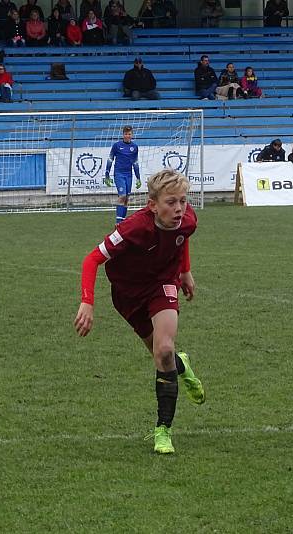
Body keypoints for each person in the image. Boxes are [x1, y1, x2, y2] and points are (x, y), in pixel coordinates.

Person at [74, 169, 205, 455]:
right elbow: (92, 259)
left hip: (162, 285)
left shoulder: (188, 219)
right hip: (127, 295)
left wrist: (185, 271)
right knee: (161, 356)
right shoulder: (134, 228)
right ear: (152, 203)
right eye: (171, 202)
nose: (179, 208)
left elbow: (182, 237)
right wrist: (87, 301)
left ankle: (163, 430)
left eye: (183, 201)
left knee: (165, 351)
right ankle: (182, 366)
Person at [104, 125, 141, 225]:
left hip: (129, 175)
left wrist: (138, 178)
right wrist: (107, 174)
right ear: (123, 135)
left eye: (129, 134)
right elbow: (110, 159)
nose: (127, 136)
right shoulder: (116, 146)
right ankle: (118, 223)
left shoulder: (134, 147)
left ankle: (122, 222)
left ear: (132, 135)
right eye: (125, 134)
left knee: (126, 199)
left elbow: (135, 163)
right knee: (122, 196)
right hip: (119, 174)